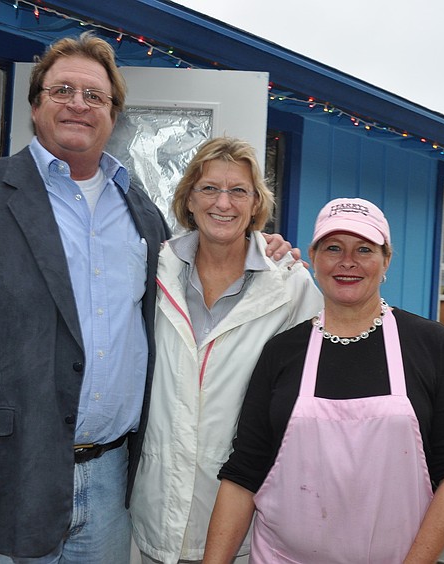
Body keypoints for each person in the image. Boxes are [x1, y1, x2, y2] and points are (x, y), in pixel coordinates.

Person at [0, 34, 292, 562]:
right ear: (35, 105)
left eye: (95, 96)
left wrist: (266, 250)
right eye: (63, 90)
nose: (79, 104)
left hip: (111, 484)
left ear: (113, 114)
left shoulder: (140, 214)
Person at [204, 198, 444, 563]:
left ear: (386, 261)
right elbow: (244, 471)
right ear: (314, 258)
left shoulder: (431, 344)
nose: (347, 261)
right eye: (333, 248)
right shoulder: (282, 351)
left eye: (364, 249)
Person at [129, 138, 323, 564]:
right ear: (189, 200)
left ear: (256, 204)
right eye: (209, 189)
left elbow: (323, 387)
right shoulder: (149, 271)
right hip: (155, 510)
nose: (224, 203)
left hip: (246, 517)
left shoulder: (290, 288)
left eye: (239, 190)